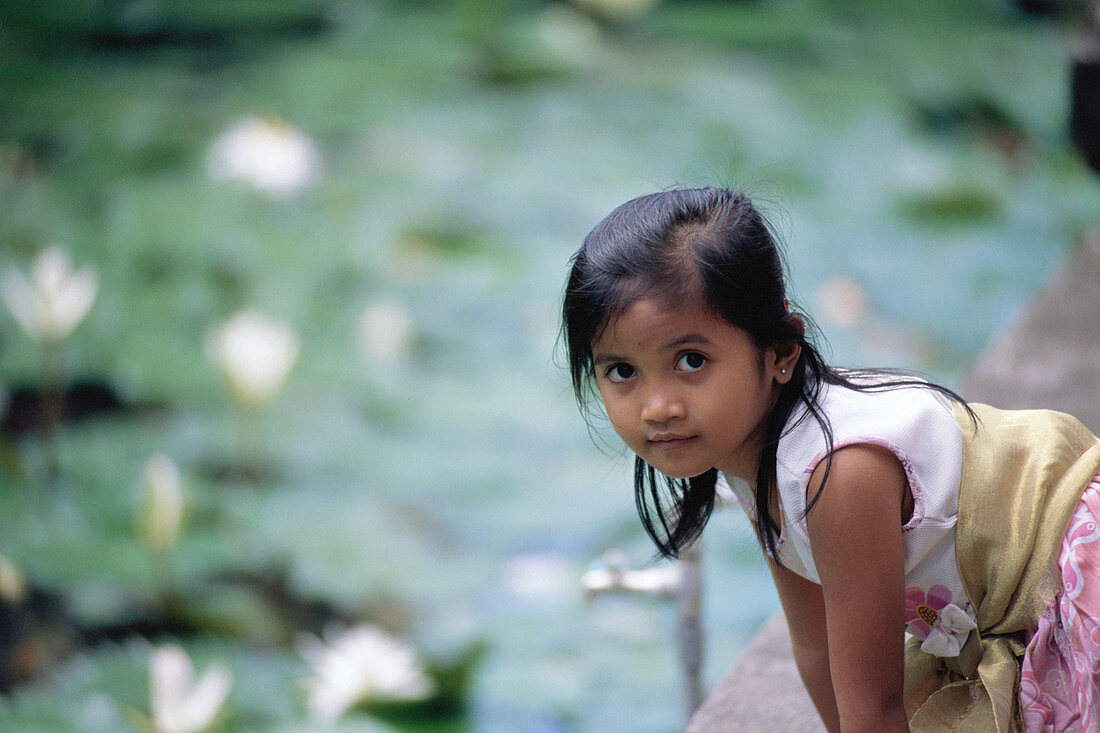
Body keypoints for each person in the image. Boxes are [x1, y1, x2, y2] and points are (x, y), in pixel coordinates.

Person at [560, 187, 1100, 732]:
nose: (658, 407)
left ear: (780, 353)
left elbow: (875, 707)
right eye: (622, 371)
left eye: (691, 360)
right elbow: (816, 649)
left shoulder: (836, 476)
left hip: (1075, 582)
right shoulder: (753, 461)